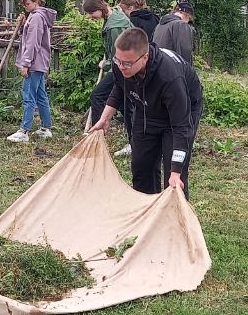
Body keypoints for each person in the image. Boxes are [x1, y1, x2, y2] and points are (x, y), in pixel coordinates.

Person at [87, 28, 203, 197]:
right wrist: (105, 118)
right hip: (146, 110)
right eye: (118, 61)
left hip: (179, 114)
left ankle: (174, 218)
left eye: (127, 63)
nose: (121, 67)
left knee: (173, 176)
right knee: (141, 166)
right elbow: (120, 89)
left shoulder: (170, 77)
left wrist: (176, 172)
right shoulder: (121, 64)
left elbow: (182, 127)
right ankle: (147, 213)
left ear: (145, 57)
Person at [8, 0, 57, 142]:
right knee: (41, 95)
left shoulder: (36, 18)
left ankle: (24, 131)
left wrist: (26, 64)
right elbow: (27, 36)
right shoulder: (35, 16)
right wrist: (23, 25)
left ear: (36, 1)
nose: (26, 6)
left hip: (34, 63)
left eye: (28, 3)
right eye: (24, 5)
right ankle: (45, 128)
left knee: (29, 95)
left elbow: (33, 43)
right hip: (39, 62)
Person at [82, 0, 133, 128]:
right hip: (122, 66)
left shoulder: (115, 27)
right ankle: (133, 139)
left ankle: (97, 134)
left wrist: (106, 64)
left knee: (97, 96)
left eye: (91, 13)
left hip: (124, 67)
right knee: (124, 103)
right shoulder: (113, 16)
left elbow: (120, 55)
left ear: (100, 8)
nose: (90, 17)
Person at [154, 0, 196, 65]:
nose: (188, 23)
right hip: (173, 70)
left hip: (157, 68)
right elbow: (185, 53)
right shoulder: (182, 25)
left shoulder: (160, 25)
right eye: (189, 20)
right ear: (187, 15)